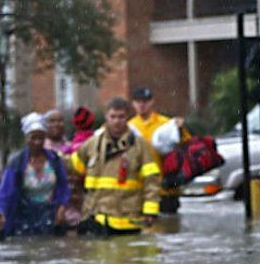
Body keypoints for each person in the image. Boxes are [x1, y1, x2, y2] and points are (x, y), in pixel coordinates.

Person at [71, 96, 161, 235]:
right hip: (95, 218)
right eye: (113, 116)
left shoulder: (140, 146)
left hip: (127, 221)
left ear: (128, 118)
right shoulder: (92, 144)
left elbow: (152, 181)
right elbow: (72, 167)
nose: (117, 121)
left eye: (121, 117)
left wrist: (150, 212)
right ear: (106, 117)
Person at [0, 112, 71, 239]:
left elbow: (64, 187)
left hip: (50, 215)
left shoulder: (55, 160)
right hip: (23, 217)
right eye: (33, 138)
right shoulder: (17, 162)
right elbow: (5, 192)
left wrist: (62, 207)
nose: (37, 142)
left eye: (41, 138)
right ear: (26, 138)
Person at [128, 86, 188, 214]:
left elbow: (185, 145)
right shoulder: (129, 126)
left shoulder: (166, 123)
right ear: (133, 104)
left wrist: (180, 129)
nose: (142, 105)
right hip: (141, 192)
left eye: (145, 101)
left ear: (152, 102)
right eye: (138, 101)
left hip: (166, 190)